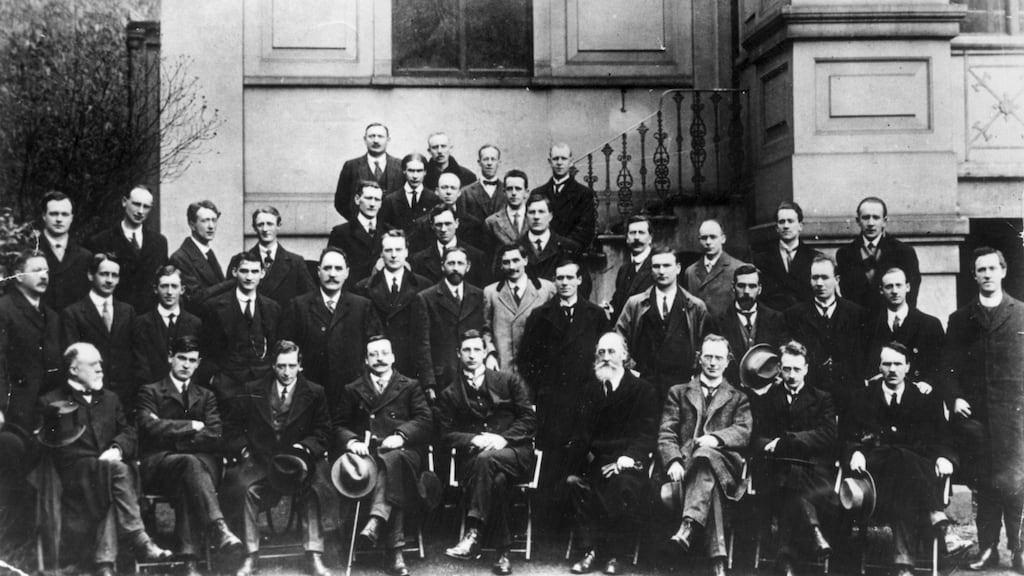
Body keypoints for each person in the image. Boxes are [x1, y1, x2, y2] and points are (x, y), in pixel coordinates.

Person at [37, 342, 171, 576]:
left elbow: (130, 432)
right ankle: (139, 539)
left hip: (108, 475)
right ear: (74, 369)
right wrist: (102, 463)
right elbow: (56, 450)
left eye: (100, 363)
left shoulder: (110, 398)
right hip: (77, 476)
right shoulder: (51, 401)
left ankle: (104, 565)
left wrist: (117, 449)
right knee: (119, 473)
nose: (101, 369)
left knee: (114, 478)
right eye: (93, 364)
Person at [841, 343, 971, 576]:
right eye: (887, 363)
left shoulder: (925, 400)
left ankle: (904, 566)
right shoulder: (862, 397)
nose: (892, 369)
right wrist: (855, 452)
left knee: (903, 476)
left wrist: (944, 457)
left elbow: (942, 438)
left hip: (905, 484)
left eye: (898, 364)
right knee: (900, 458)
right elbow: (847, 435)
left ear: (908, 367)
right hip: (875, 479)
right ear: (879, 366)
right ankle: (938, 521)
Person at [222, 340, 337, 576]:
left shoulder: (315, 393)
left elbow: (324, 431)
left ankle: (313, 554)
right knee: (245, 490)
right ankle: (250, 555)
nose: (287, 372)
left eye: (292, 366)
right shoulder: (252, 389)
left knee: (315, 488)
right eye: (282, 366)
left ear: (300, 366)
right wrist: (244, 450)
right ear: (273, 366)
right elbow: (232, 428)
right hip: (262, 461)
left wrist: (305, 448)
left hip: (300, 462)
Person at [942, 247, 1024, 572]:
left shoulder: (1020, 314)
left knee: (1015, 484)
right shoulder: (961, 319)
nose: (987, 274)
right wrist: (955, 398)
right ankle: (987, 548)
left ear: (1003, 271)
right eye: (981, 269)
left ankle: (1018, 550)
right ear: (973, 275)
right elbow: (946, 369)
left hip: (1014, 419)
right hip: (976, 419)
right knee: (985, 484)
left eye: (992, 268)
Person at [136, 336, 242, 575]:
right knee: (189, 464)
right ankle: (218, 527)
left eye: (192, 360)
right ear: (170, 358)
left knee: (188, 474)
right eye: (181, 358)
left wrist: (168, 430)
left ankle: (190, 563)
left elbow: (215, 434)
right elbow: (148, 428)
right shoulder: (150, 392)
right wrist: (193, 426)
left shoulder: (207, 396)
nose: (186, 365)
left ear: (198, 363)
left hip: (198, 466)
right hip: (160, 466)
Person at [332, 336, 433, 576]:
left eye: (384, 353)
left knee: (394, 460)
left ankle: (376, 523)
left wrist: (401, 435)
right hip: (368, 456)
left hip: (405, 453)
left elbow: (425, 420)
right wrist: (352, 441)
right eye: (374, 355)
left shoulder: (410, 386)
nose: (379, 359)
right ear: (366, 360)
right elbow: (338, 425)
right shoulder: (353, 389)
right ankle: (395, 552)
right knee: (389, 468)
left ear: (393, 357)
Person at [438, 330, 537, 576]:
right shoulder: (450, 393)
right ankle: (503, 554)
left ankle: (473, 533)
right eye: (466, 351)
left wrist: (503, 439)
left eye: (476, 350)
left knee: (488, 462)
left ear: (484, 353)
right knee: (498, 481)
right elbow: (444, 434)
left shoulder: (508, 381)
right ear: (458, 354)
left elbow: (529, 419)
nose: (472, 355)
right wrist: (475, 439)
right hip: (477, 462)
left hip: (514, 453)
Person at [565, 332, 659, 575]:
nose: (606, 358)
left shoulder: (642, 390)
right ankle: (590, 551)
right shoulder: (590, 390)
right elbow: (581, 434)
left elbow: (647, 434)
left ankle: (614, 553)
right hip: (597, 462)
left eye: (612, 352)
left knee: (621, 485)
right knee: (575, 483)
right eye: (601, 353)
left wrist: (624, 460)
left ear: (625, 356)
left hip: (628, 463)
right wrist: (581, 459)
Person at [658, 334, 751, 576]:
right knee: (707, 473)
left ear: (728, 361)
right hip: (686, 467)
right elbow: (666, 431)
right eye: (707, 356)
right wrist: (673, 460)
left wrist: (716, 439)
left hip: (725, 467)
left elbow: (743, 431)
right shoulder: (678, 392)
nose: (712, 362)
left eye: (718, 357)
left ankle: (688, 527)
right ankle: (718, 561)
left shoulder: (739, 398)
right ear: (699, 358)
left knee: (707, 455)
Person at [750, 341, 837, 576]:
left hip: (812, 472)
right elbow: (756, 437)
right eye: (786, 369)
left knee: (793, 484)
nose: (791, 375)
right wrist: (770, 445)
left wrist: (787, 441)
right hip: (774, 471)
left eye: (797, 369)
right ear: (779, 368)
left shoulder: (821, 398)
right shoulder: (767, 398)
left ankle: (786, 562)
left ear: (806, 369)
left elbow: (828, 435)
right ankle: (814, 529)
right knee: (791, 480)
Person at [280, 247, 381, 401]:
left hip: (351, 394)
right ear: (319, 271)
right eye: (327, 268)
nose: (332, 274)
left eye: (338, 268)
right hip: (310, 394)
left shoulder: (362, 307)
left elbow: (374, 351)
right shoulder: (299, 306)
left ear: (346, 272)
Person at [615, 246, 715, 402]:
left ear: (678, 268)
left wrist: (694, 371)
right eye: (656, 266)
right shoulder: (635, 304)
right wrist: (631, 369)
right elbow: (618, 341)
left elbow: (706, 345)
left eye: (667, 265)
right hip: (644, 386)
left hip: (683, 386)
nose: (661, 271)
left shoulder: (695, 306)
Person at [784, 254, 866, 414]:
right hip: (810, 397)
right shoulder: (794, 315)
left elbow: (861, 357)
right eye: (815, 278)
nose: (819, 283)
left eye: (825, 277)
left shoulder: (856, 314)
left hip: (848, 395)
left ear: (837, 279)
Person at [199, 252, 281, 408]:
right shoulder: (214, 307)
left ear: (262, 274)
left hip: (263, 388)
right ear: (234, 272)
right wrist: (215, 379)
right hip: (227, 388)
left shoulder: (272, 308)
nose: (249, 277)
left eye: (255, 271)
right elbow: (206, 350)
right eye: (244, 271)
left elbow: (273, 348)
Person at [354, 231, 432, 381]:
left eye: (398, 250)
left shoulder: (423, 286)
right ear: (381, 254)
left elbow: (425, 338)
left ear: (406, 252)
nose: (394, 255)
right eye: (388, 250)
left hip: (411, 366)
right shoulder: (364, 287)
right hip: (378, 365)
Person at [61, 254, 138, 406]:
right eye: (104, 274)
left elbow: (137, 353)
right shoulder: (73, 313)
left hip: (126, 394)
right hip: (89, 393)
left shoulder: (127, 311)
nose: (109, 280)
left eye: (114, 275)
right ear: (91, 275)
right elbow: (72, 359)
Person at [0, 250, 62, 432]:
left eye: (46, 271)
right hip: (15, 408)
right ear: (19, 276)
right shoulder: (4, 309)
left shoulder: (51, 316)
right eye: (36, 271)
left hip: (47, 407)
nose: (44, 276)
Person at [412, 246, 485, 397]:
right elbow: (422, 344)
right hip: (443, 376)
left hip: (472, 373)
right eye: (451, 263)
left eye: (460, 263)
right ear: (442, 265)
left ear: (468, 266)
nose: (455, 268)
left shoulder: (478, 295)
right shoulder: (426, 297)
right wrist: (428, 383)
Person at [86, 185, 168, 313]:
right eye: (136, 204)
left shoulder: (159, 242)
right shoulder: (102, 240)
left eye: (145, 207)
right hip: (116, 317)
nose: (140, 211)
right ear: (124, 202)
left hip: (150, 318)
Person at [835, 197, 921, 312]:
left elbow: (911, 295)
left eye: (876, 217)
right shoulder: (845, 254)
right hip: (857, 324)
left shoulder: (904, 252)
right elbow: (846, 296)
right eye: (865, 218)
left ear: (884, 221)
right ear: (858, 221)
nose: (871, 223)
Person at [864, 267, 944, 386]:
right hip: (879, 396)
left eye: (899, 285)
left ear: (908, 287)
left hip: (918, 396)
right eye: (889, 286)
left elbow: (942, 365)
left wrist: (928, 382)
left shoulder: (930, 324)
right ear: (881, 290)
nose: (894, 291)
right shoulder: (869, 326)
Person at [483, 244, 556, 374]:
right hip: (504, 367)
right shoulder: (491, 292)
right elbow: (486, 330)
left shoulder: (546, 289)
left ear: (525, 260)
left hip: (537, 367)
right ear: (500, 265)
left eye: (516, 260)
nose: (512, 267)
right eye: (506, 262)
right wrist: (490, 354)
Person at [712, 264, 787, 385]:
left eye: (752, 286)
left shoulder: (776, 319)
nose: (746, 291)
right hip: (733, 390)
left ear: (760, 289)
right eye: (741, 286)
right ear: (733, 287)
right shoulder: (719, 321)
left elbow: (783, 355)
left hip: (768, 390)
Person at [132, 265, 203, 386]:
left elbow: (197, 365)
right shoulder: (141, 323)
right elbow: (141, 367)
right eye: (164, 286)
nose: (169, 292)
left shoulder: (195, 323)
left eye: (174, 286)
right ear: (155, 289)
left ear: (182, 290)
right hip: (152, 394)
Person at [752, 201, 821, 311]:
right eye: (782, 222)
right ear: (776, 228)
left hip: (804, 321)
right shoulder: (762, 259)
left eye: (790, 221)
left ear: (800, 226)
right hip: (774, 321)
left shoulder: (814, 258)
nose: (786, 226)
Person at [247, 206, 316, 308]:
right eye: (260, 224)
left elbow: (310, 298)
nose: (265, 229)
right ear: (254, 228)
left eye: (270, 224)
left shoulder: (296, 262)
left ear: (279, 226)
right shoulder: (242, 261)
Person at [532, 143, 596, 250]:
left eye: (564, 158)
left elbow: (585, 231)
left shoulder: (583, 194)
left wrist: (559, 247)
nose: (559, 163)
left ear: (571, 162)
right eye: (556, 159)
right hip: (541, 254)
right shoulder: (538, 193)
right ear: (550, 162)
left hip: (569, 254)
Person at [170, 200, 231, 312]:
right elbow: (195, 298)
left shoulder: (208, 253)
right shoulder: (180, 258)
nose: (211, 226)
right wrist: (231, 283)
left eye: (214, 220)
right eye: (205, 221)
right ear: (192, 225)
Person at [328, 181, 391, 289]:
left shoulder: (388, 231)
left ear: (381, 203)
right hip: (353, 294)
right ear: (357, 199)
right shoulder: (341, 233)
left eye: (377, 200)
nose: (372, 204)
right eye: (368, 198)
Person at [335, 122, 404, 221]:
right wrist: (358, 222)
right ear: (365, 139)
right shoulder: (351, 166)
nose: (376, 140)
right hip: (360, 231)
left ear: (388, 140)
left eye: (380, 136)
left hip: (393, 229)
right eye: (371, 136)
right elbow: (340, 202)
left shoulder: (400, 166)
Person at [409, 203, 489, 287]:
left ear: (456, 223)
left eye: (448, 224)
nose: (443, 229)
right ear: (432, 226)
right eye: (439, 225)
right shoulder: (418, 260)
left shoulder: (476, 257)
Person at [38, 191, 92, 311]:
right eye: (53, 214)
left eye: (64, 214)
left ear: (71, 218)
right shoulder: (31, 251)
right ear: (43, 215)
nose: (59, 219)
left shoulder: (85, 257)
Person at [684, 219, 748, 317]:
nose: (708, 242)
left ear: (723, 239)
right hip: (700, 330)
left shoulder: (738, 268)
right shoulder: (690, 272)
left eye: (713, 237)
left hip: (726, 330)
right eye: (704, 238)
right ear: (699, 240)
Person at [517, 193, 583, 286]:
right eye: (532, 212)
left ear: (550, 216)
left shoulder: (570, 247)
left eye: (541, 212)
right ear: (525, 216)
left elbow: (583, 285)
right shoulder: (515, 248)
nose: (536, 217)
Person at [606, 214, 654, 321]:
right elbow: (618, 304)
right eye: (632, 233)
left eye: (641, 233)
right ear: (627, 238)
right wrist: (607, 309)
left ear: (650, 238)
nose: (636, 237)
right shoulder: (624, 270)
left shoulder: (658, 266)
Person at [380, 153, 439, 234]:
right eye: (411, 171)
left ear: (425, 172)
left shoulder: (434, 198)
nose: (415, 176)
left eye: (419, 171)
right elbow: (384, 225)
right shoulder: (390, 200)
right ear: (404, 171)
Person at [484, 169, 529, 251]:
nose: (514, 193)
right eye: (509, 189)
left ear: (526, 192)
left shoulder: (535, 217)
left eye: (518, 189)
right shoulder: (492, 222)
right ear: (504, 192)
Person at [460, 145, 506, 222]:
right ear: (479, 162)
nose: (489, 163)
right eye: (485, 159)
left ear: (499, 162)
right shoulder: (465, 192)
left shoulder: (507, 191)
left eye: (493, 159)